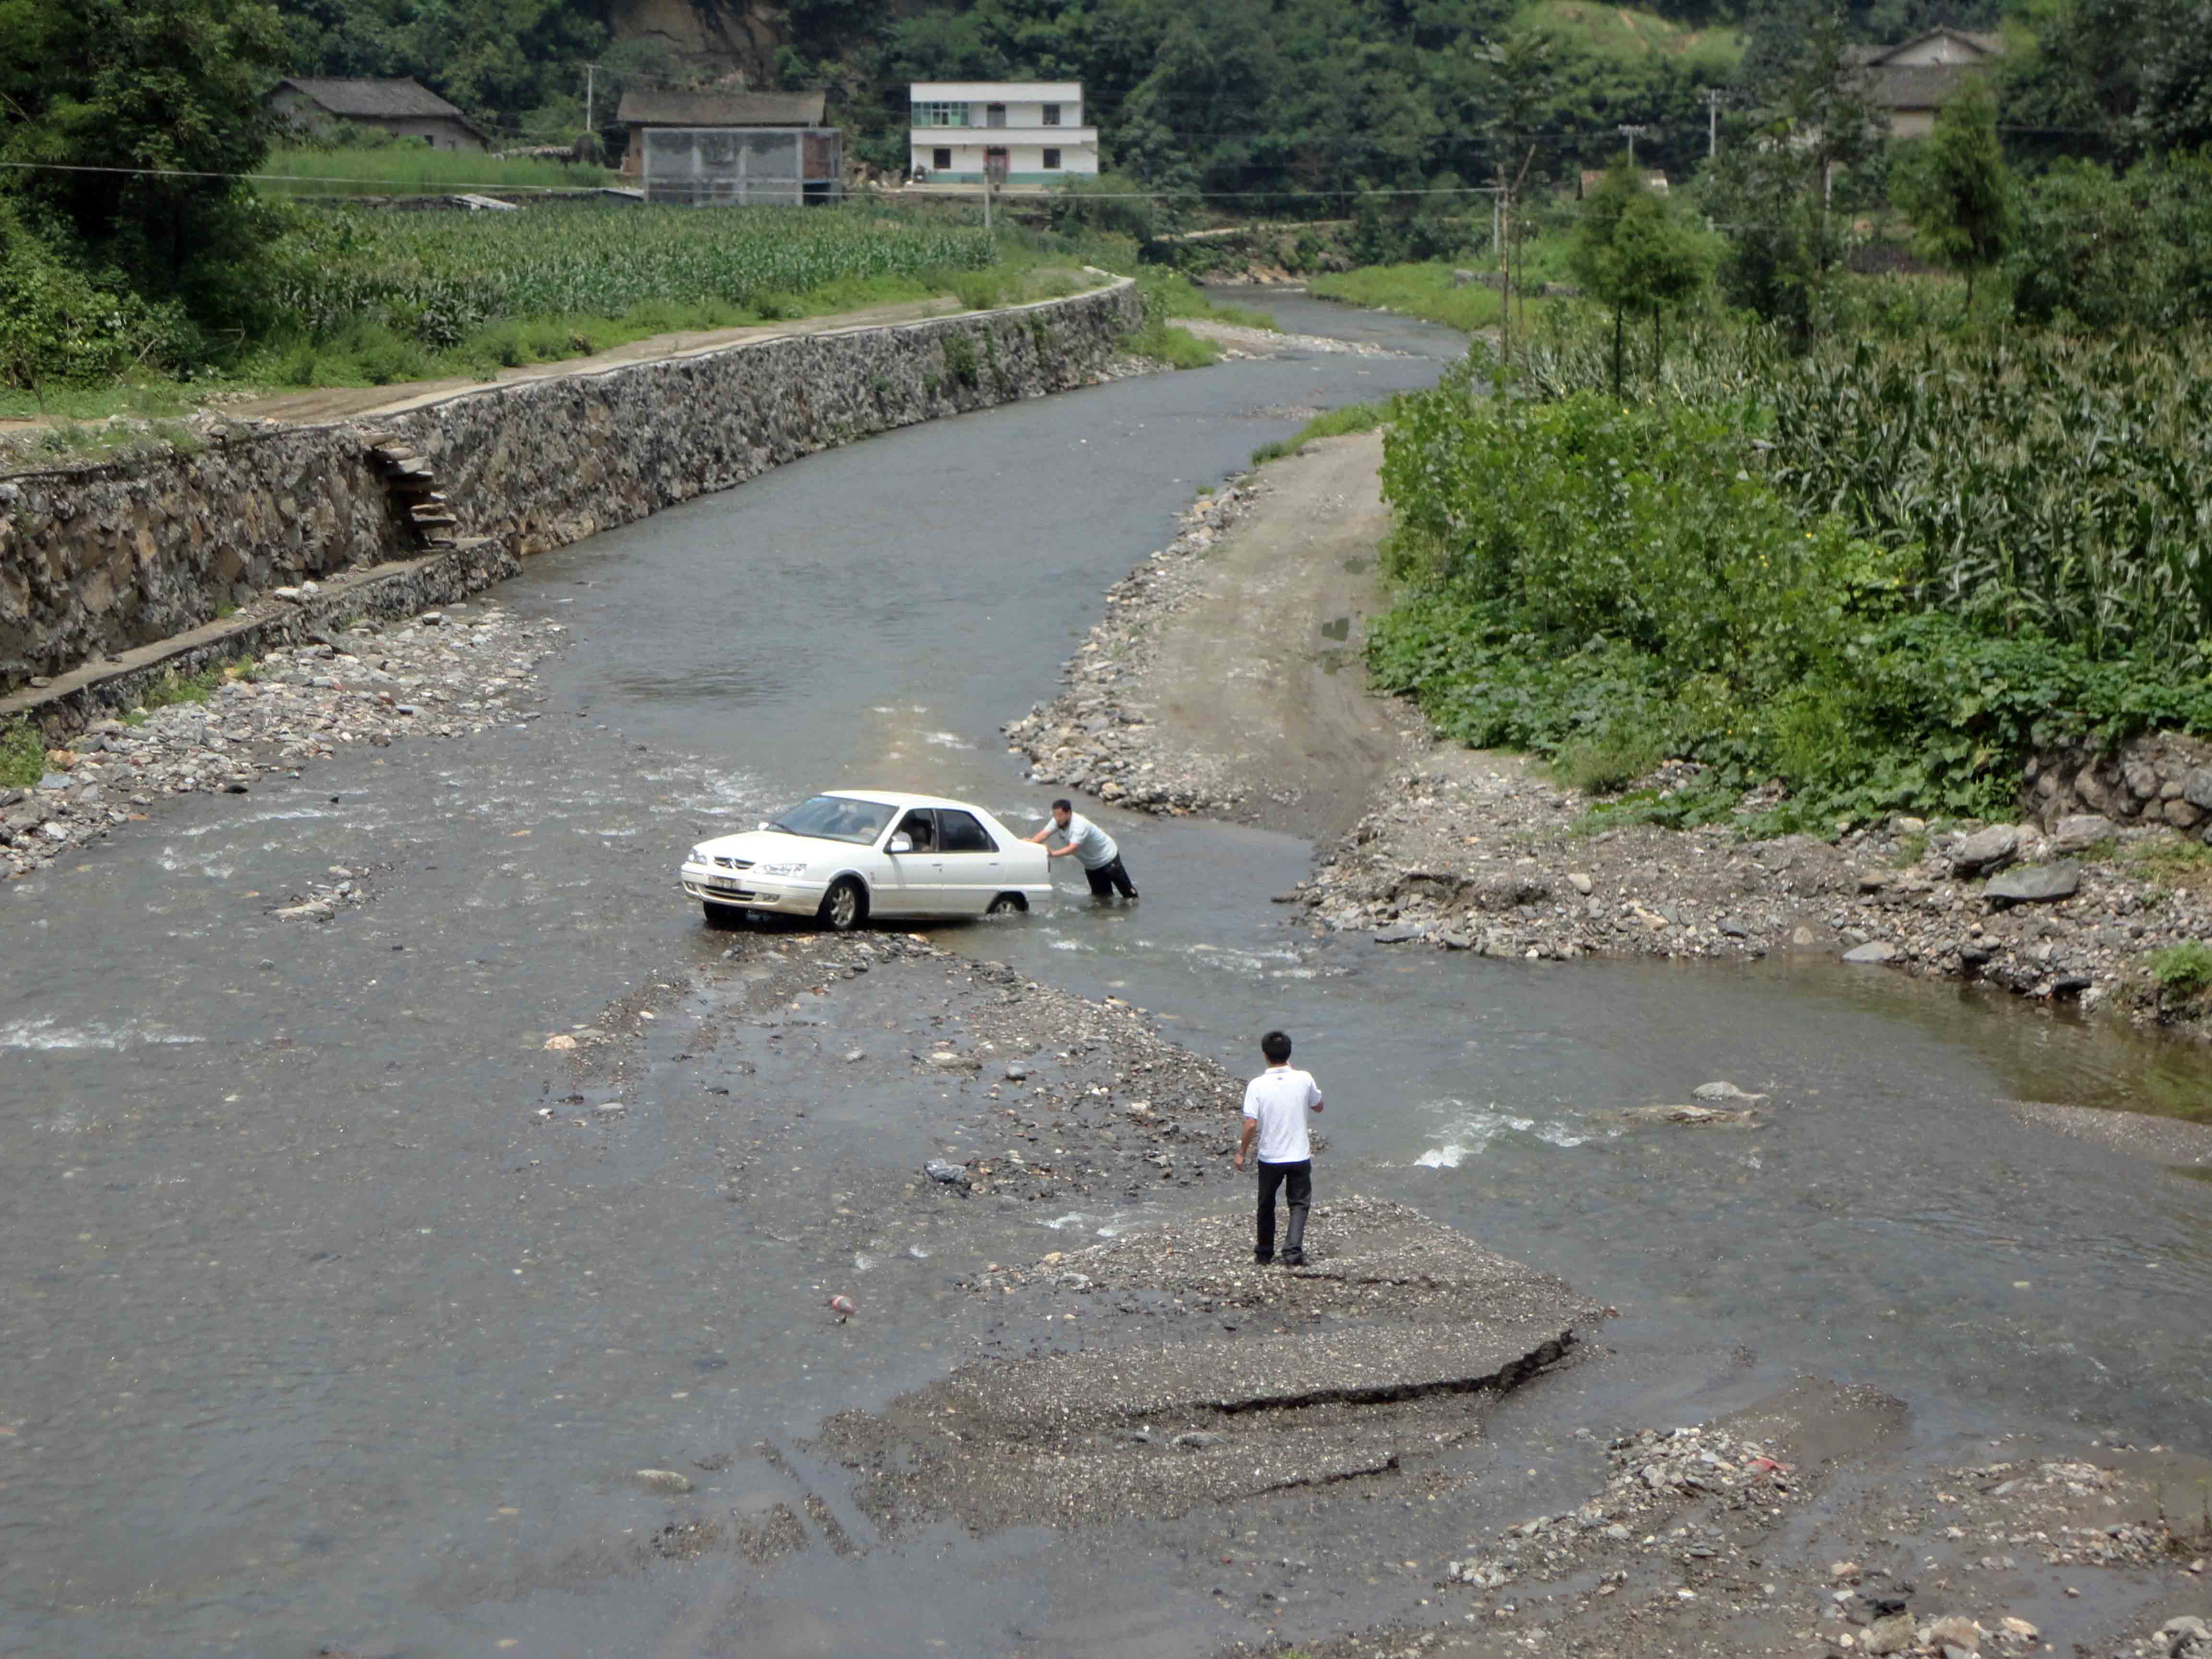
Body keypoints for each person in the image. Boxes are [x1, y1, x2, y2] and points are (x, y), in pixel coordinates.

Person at [1233, 1029, 1322, 1267]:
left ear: (1265, 1055)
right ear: (1289, 1053)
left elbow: (1251, 1123)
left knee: (1266, 1204)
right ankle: (1293, 1254)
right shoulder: (1304, 1078)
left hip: (1270, 1157)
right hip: (1299, 1155)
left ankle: (1264, 1253)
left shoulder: (1257, 1085)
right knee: (1299, 1204)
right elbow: (1319, 1106)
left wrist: (1242, 1152)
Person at [1025, 798, 1138, 900]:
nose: (1057, 819)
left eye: (1060, 815)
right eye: (1055, 815)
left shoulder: (1079, 825)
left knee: (1129, 896)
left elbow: (1073, 848)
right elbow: (1044, 834)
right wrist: (1028, 845)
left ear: (1069, 813)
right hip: (1091, 865)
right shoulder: (1057, 822)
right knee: (1101, 899)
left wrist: (1053, 853)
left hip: (1108, 858)